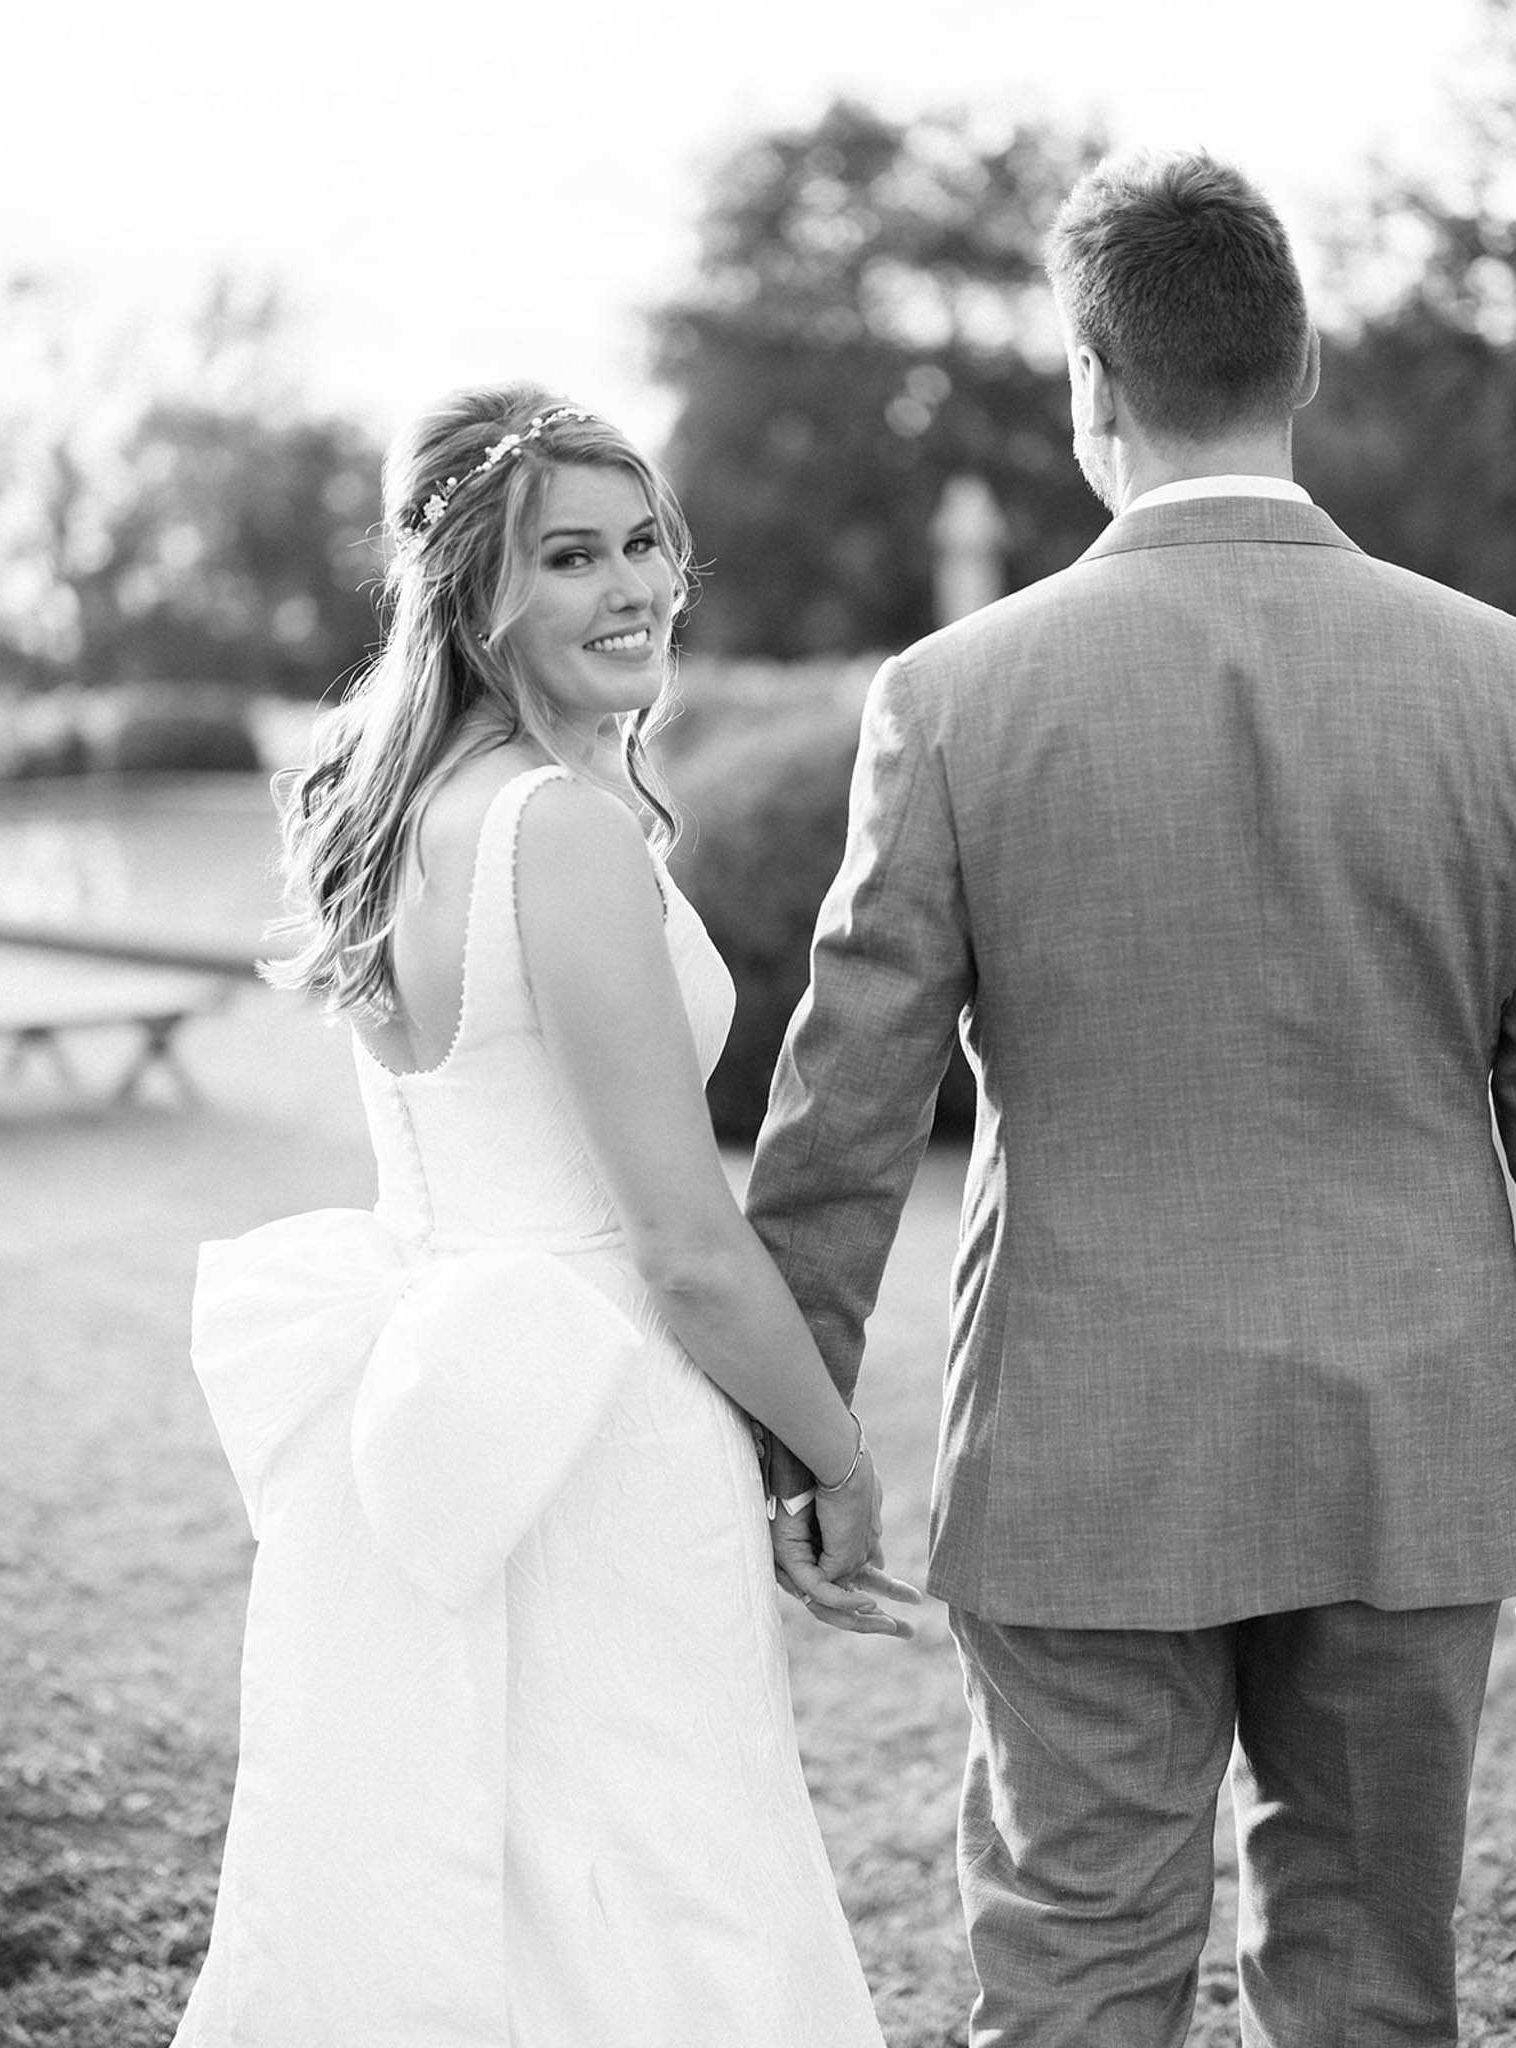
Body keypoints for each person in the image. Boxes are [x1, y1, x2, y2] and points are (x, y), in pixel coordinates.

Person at [746, 150, 1516, 2046]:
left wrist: (790, 1428)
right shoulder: (1496, 681)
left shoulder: (953, 693)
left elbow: (848, 1103)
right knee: (1370, 1978)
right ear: (1303, 358)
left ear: (1088, 381)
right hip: (1412, 1434)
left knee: (1075, 1968)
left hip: (1082, 1440)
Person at [172, 384, 917, 2048]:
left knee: (489, 1870)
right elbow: (684, 1248)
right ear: (472, 592)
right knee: (666, 1873)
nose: (633, 586)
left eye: (644, 542)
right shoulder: (556, 832)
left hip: (437, 1400)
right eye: (569, 556)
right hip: (600, 1426)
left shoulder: (378, 810)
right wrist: (835, 1460)